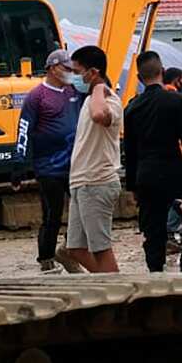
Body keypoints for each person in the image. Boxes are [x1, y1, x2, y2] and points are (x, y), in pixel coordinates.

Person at [123, 50, 182, 272]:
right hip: (175, 172)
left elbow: (130, 151)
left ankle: (155, 271)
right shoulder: (177, 101)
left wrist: (132, 185)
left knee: (152, 229)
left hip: (146, 175)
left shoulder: (132, 108)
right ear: (162, 71)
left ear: (138, 77)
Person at [14, 48, 81, 272]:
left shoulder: (73, 91)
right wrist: (19, 164)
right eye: (66, 68)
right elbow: (24, 129)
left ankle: (70, 250)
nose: (70, 73)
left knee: (83, 211)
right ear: (53, 68)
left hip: (75, 165)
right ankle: (46, 259)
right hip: (49, 167)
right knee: (53, 215)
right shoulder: (37, 96)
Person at [65, 45, 123, 274]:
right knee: (75, 248)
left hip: (97, 181)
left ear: (92, 72)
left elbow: (100, 116)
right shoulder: (89, 100)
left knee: (100, 248)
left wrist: (99, 87)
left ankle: (117, 289)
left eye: (77, 71)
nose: (73, 77)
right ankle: (110, 283)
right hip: (81, 182)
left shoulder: (109, 100)